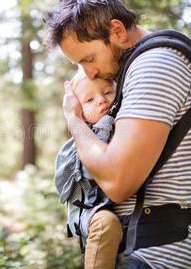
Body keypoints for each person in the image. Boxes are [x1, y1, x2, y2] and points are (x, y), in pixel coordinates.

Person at [45, 0, 191, 268]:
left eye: (88, 59)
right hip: (142, 249)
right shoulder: (133, 70)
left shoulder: (155, 66)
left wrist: (74, 120)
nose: (89, 73)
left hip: (157, 257)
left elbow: (117, 182)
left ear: (118, 31)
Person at [54, 70, 123, 269]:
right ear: (78, 111)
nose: (101, 101)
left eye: (108, 92)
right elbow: (96, 168)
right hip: (89, 211)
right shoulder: (81, 142)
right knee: (106, 224)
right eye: (90, 100)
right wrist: (106, 123)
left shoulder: (127, 126)